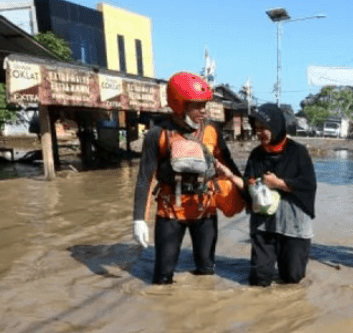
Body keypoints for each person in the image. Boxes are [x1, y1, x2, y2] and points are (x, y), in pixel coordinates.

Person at [132, 71, 244, 285]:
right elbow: (144, 179)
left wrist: (248, 197)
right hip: (170, 211)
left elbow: (230, 166)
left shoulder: (212, 130)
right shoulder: (158, 134)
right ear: (179, 104)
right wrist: (139, 219)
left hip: (205, 210)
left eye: (205, 105)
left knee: (206, 272)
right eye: (196, 105)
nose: (203, 110)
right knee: (162, 278)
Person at [218, 103, 317, 287]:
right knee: (259, 280)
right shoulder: (256, 154)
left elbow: (308, 185)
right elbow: (249, 185)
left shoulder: (298, 152)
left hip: (293, 225)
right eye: (257, 129)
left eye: (264, 128)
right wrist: (231, 177)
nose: (259, 133)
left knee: (292, 278)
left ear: (277, 126)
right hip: (264, 224)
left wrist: (279, 184)